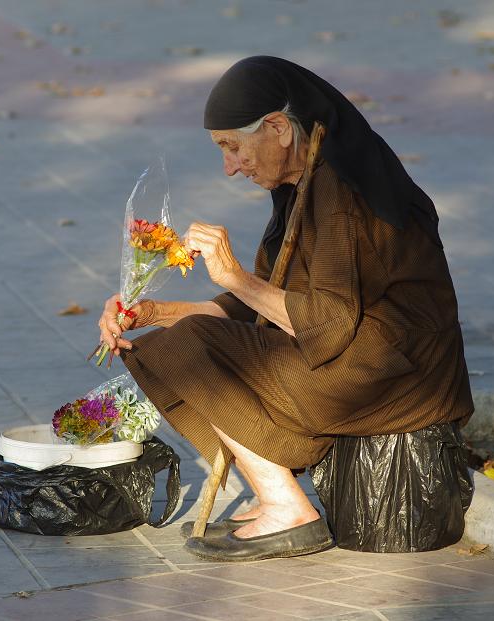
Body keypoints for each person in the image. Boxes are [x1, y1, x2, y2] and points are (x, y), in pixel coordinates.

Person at [96, 56, 474, 562]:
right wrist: (155, 313)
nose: (229, 167)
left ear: (276, 127)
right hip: (360, 363)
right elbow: (262, 309)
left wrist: (233, 275)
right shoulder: (304, 185)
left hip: (399, 379)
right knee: (173, 343)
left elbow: (327, 325)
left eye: (232, 147)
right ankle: (275, 492)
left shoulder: (343, 195)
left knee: (188, 350)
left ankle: (285, 508)